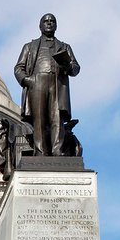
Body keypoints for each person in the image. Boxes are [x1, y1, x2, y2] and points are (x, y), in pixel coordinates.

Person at [14, 14, 80, 156]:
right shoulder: (30, 46)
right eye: (46, 21)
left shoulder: (64, 47)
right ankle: (40, 151)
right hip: (37, 83)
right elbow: (19, 68)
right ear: (40, 26)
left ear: (56, 26)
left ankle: (58, 150)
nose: (49, 23)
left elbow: (75, 68)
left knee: (56, 118)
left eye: (52, 21)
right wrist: (28, 80)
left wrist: (67, 66)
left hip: (57, 84)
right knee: (40, 118)